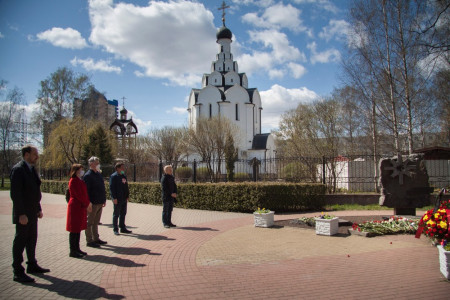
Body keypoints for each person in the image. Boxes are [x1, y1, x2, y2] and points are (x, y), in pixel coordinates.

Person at [10, 145, 50, 283]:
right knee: (20, 241)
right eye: (34, 154)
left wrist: (38, 208)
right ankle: (17, 271)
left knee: (32, 239)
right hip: (23, 213)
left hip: (32, 212)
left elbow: (35, 192)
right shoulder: (18, 170)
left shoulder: (32, 170)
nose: (37, 156)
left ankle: (32, 264)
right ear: (26, 155)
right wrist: (21, 214)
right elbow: (16, 194)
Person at [67, 164, 92, 258]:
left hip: (81, 206)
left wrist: (88, 202)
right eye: (80, 170)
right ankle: (72, 250)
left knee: (78, 229)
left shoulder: (80, 180)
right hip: (75, 206)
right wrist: (87, 204)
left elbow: (85, 193)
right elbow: (78, 195)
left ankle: (77, 248)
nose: (82, 171)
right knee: (74, 229)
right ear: (75, 170)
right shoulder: (73, 181)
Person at [83, 157, 107, 248]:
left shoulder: (98, 174)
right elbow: (86, 191)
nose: (98, 164)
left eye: (98, 163)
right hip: (92, 203)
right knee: (90, 222)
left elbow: (102, 188)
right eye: (96, 163)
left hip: (100, 201)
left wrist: (104, 200)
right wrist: (88, 203)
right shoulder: (88, 175)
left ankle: (96, 238)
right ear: (91, 164)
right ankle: (89, 240)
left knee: (96, 222)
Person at [109, 162, 132, 235]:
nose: (123, 169)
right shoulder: (113, 176)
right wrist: (114, 198)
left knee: (123, 213)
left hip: (124, 198)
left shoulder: (123, 176)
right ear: (117, 168)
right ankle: (115, 229)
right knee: (116, 214)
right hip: (117, 199)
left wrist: (127, 196)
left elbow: (126, 186)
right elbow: (112, 188)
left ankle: (123, 227)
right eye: (122, 167)